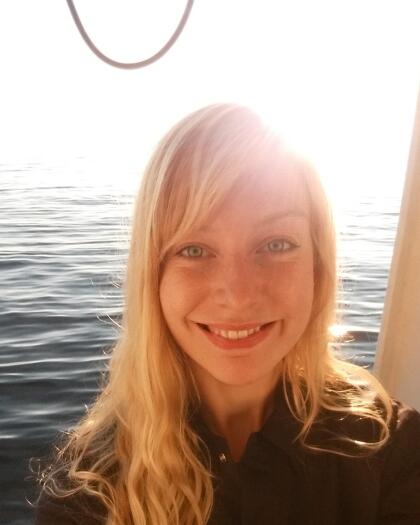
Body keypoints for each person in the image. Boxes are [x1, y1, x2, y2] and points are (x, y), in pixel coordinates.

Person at [35, 103, 420, 525]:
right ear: (153, 277)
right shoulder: (89, 490)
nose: (237, 296)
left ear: (318, 265)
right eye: (194, 249)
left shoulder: (393, 450)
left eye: (276, 244)